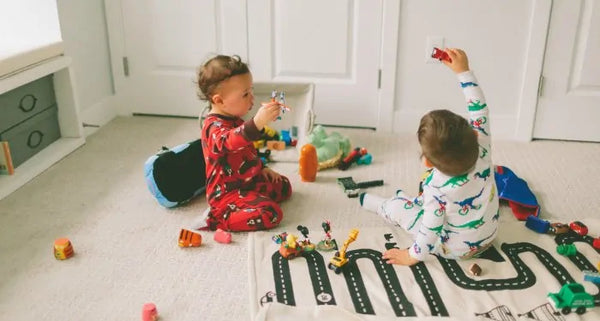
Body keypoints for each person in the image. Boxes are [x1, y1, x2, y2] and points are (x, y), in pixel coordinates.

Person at [360, 48, 499, 266]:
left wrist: (411, 256)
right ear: (473, 133)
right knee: (424, 202)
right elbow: (480, 111)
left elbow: (429, 230)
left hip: (454, 250)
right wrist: (463, 72)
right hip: (488, 237)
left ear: (427, 162)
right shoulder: (483, 144)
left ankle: (380, 206)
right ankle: (410, 201)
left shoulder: (436, 189)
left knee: (398, 207)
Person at [196, 55, 292, 231]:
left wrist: (262, 168)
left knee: (284, 187)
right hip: (227, 194)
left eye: (251, 91)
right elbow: (230, 141)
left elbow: (247, 151)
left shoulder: (236, 119)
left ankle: (252, 198)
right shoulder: (212, 127)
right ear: (219, 100)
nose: (252, 98)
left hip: (249, 181)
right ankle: (217, 219)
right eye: (245, 94)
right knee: (271, 213)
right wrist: (256, 122)